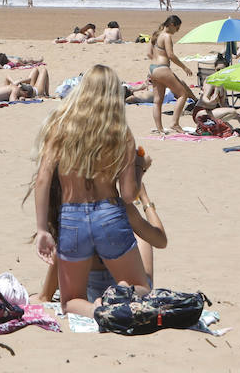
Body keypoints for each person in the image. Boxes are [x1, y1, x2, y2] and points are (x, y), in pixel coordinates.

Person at [31, 64, 150, 317]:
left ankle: (96, 309)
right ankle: (120, 296)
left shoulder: (61, 126)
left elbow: (42, 179)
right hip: (109, 213)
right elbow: (129, 195)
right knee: (142, 288)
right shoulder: (120, 132)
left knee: (71, 300)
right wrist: (139, 169)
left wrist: (42, 229)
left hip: (72, 216)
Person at [35, 147, 166, 303]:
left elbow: (45, 298)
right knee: (140, 236)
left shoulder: (70, 211)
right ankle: (123, 289)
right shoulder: (121, 208)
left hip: (90, 294)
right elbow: (160, 240)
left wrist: (42, 296)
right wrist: (145, 199)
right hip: (133, 293)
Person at [147, 15, 209, 135]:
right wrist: (184, 67)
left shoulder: (155, 35)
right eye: (177, 28)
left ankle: (160, 129)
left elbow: (149, 54)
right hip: (162, 68)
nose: (177, 31)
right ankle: (174, 123)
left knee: (157, 101)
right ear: (171, 25)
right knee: (182, 94)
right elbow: (171, 55)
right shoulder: (166, 36)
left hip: (153, 69)